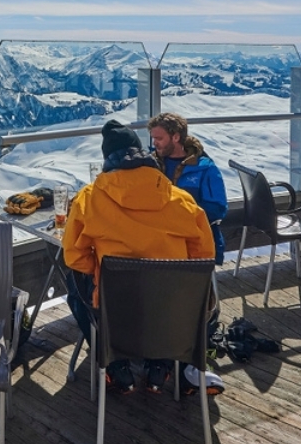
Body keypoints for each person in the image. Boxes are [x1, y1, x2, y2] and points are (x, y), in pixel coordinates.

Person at [63, 120, 215, 394]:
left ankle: (112, 364)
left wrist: (99, 269)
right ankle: (162, 364)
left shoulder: (89, 198)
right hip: (171, 310)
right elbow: (203, 256)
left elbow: (74, 256)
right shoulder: (181, 200)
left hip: (116, 308)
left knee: (74, 289)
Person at [147, 112, 228, 265]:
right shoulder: (150, 166)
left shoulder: (205, 168)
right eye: (153, 138)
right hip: (157, 242)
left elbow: (218, 209)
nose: (154, 143)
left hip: (194, 243)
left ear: (176, 137)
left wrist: (176, 213)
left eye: (159, 138)